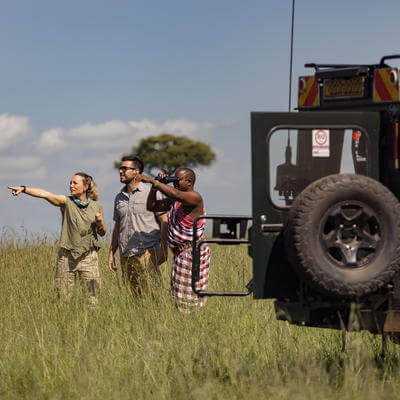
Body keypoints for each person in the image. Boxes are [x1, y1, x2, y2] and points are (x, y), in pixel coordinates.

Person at [8, 173, 106, 305]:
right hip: (66, 257)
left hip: (89, 257)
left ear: (85, 186)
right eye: (70, 182)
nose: (71, 185)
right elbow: (45, 194)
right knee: (62, 299)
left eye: (75, 183)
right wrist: (24, 189)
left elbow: (102, 232)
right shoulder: (66, 202)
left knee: (92, 299)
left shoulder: (97, 206)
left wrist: (100, 223)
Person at [141, 168, 210, 313]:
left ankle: (193, 326)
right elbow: (152, 206)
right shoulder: (176, 201)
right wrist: (155, 186)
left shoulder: (194, 197)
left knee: (189, 298)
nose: (175, 184)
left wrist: (153, 182)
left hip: (192, 252)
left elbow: (176, 193)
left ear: (189, 182)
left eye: (177, 180)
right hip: (181, 253)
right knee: (179, 296)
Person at [108, 156, 168, 296]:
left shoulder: (152, 193)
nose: (121, 171)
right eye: (120, 168)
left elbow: (164, 220)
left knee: (154, 296)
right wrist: (112, 252)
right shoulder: (119, 197)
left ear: (136, 172)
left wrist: (164, 250)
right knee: (134, 298)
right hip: (126, 255)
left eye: (125, 169)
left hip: (147, 253)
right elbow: (118, 227)